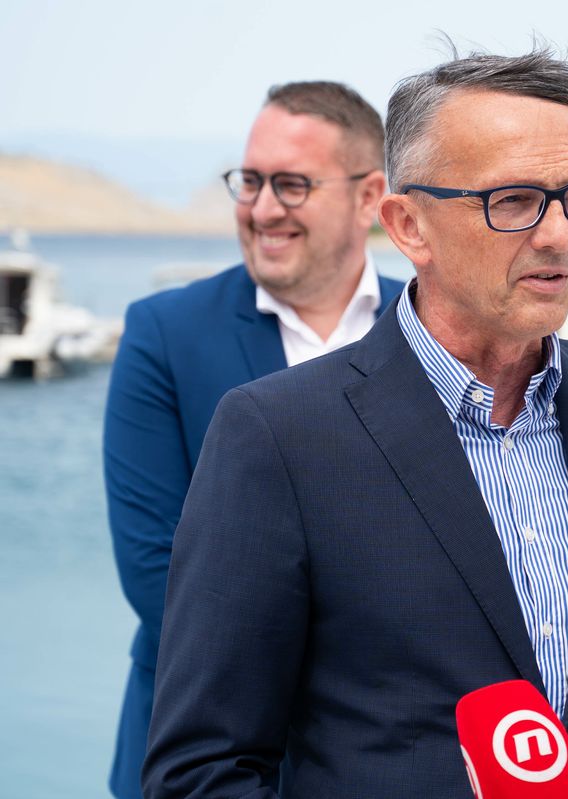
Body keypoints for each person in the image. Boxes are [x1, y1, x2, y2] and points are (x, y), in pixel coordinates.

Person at [141, 49, 568, 798]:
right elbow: (203, 769)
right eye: (514, 200)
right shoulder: (279, 436)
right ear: (409, 226)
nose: (558, 235)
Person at [102, 80, 404, 799]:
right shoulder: (163, 334)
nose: (263, 208)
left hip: (392, 758)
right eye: (251, 181)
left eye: (292, 185)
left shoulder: (427, 329)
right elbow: (155, 571)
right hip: (201, 753)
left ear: (370, 197)